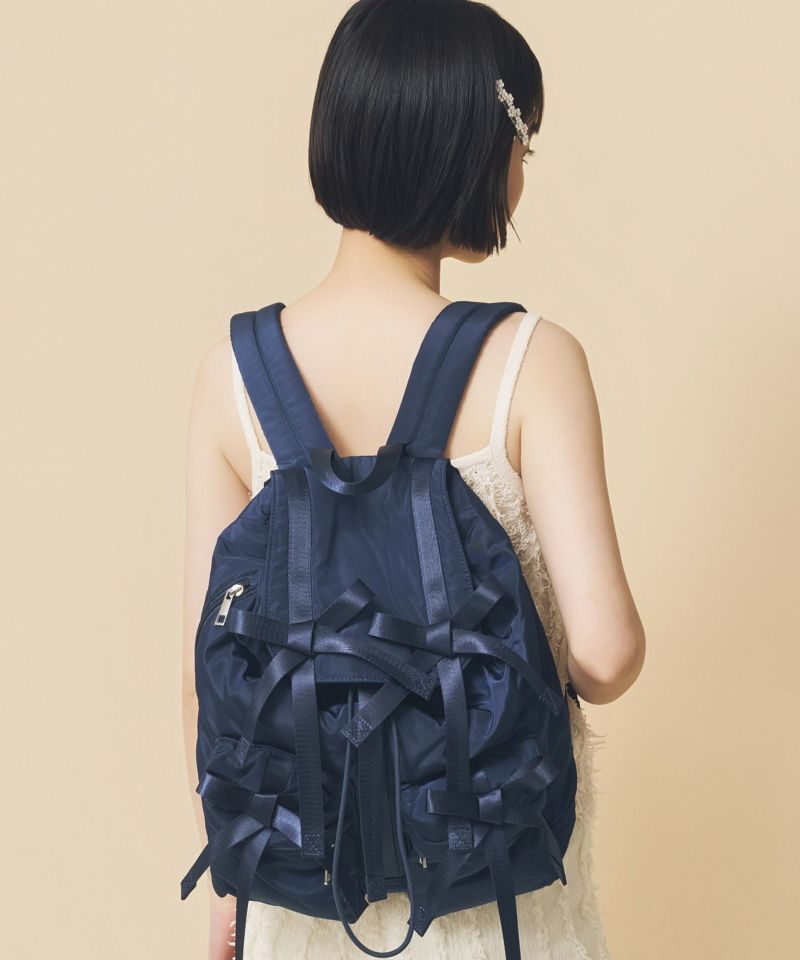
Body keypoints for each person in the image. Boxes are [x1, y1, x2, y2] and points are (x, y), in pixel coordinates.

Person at [183, 1, 646, 957]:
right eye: (523, 143)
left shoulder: (233, 373)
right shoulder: (531, 361)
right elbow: (606, 656)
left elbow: (202, 675)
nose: (523, 175)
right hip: (492, 878)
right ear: (473, 148)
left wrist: (229, 890)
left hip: (298, 890)